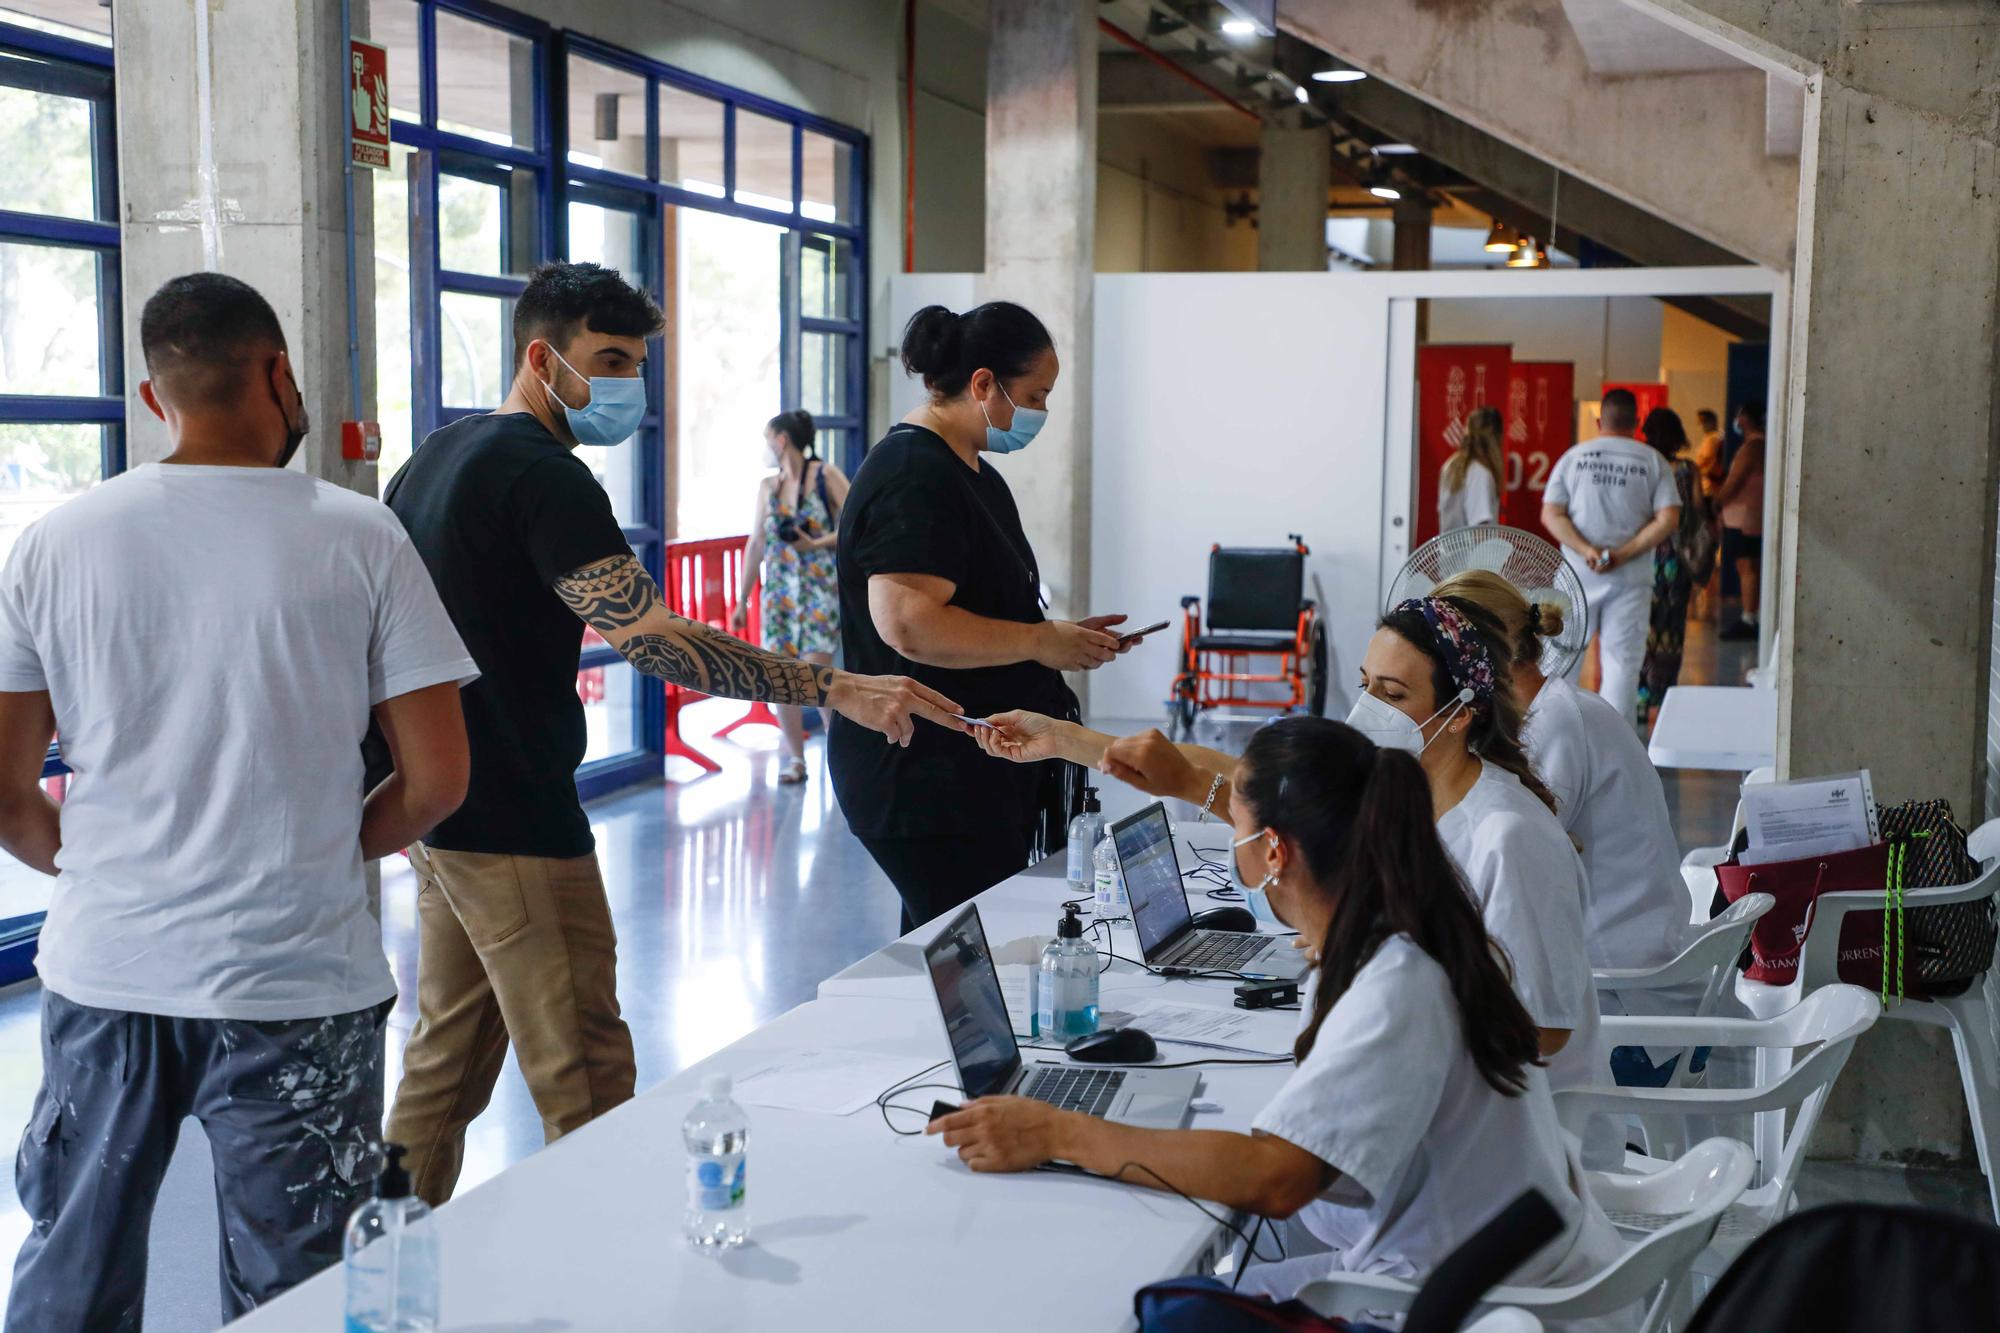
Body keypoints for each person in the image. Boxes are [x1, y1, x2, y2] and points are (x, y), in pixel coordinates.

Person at [371, 261, 961, 1205]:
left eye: (636, 364)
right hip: (518, 818)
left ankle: (380, 1259)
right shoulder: (542, 473)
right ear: (540, 357)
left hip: (442, 810)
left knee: (442, 1070)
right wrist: (832, 684)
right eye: (608, 360)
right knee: (590, 1084)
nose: (625, 386)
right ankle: (620, 1284)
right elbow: (655, 641)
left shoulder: (436, 456)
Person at [0, 273, 478, 1329]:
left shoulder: (53, 541)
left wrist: (92, 862)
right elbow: (439, 777)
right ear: (279, 372)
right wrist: (327, 840)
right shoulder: (361, 538)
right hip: (296, 976)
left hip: (108, 969)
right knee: (298, 1293)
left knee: (72, 1270)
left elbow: (5, 786)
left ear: (151, 394)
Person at [930, 718, 1627, 1318]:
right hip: (1482, 1267)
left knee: (1134, 1301)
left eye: (1234, 824)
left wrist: (1061, 1130)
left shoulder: (1396, 982)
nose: (1230, 842)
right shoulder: (1411, 927)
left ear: (1273, 852)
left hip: (1453, 1302)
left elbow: (1277, 1179)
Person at [971, 598, 1600, 1105]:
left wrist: (1377, 1021)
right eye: (1365, 686)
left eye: (1394, 694)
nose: (1368, 710)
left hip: (1489, 1122)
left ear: (1461, 714)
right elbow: (1251, 782)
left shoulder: (1508, 836)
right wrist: (1063, 739)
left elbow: (1543, 1030)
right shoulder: (1391, 793)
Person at [832, 302, 1130, 932]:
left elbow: (979, 606)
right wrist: (1037, 641)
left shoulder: (970, 473)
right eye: (1035, 395)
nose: (1041, 413)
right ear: (984, 384)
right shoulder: (914, 475)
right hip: (924, 777)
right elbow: (908, 624)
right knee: (964, 955)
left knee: (952, 951)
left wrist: (1057, 637)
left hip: (973, 771)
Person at [1432, 569, 1702, 1087]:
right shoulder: (1554, 712)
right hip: (1631, 979)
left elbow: (1501, 861)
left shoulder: (1552, 726)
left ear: (1476, 659)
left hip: (1626, 1008)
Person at [1541, 387, 1683, 728]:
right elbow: (1668, 519)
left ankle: (1554, 737)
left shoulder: (1574, 457)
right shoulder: (1652, 461)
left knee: (1562, 662)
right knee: (1622, 666)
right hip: (1630, 578)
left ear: (1598, 420)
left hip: (1576, 577)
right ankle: (1615, 748)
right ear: (1636, 422)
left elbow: (1551, 514)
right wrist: (1622, 554)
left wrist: (1586, 550)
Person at [730, 408, 847, 784]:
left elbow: (855, 525)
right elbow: (756, 543)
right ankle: (795, 759)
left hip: (819, 590)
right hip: (779, 596)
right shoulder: (769, 486)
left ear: (781, 440)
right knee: (782, 678)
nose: (767, 446)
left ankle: (842, 758)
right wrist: (742, 599)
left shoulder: (825, 476)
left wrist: (817, 543)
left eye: (768, 438)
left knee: (816, 679)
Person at [1636, 406, 1701, 721]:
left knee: (1642, 628)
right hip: (1676, 562)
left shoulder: (1644, 467)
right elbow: (1698, 515)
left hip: (1643, 556)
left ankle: (1639, 697)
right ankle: (1663, 702)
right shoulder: (1688, 470)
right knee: (1671, 631)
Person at [1714, 401, 1767, 642]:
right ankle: (1751, 615)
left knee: (1747, 568)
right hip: (1751, 517)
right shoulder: (1762, 446)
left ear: (1745, 418)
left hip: (1743, 518)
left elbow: (1734, 482)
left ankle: (1748, 617)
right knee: (1751, 567)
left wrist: (1715, 503)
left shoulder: (1752, 448)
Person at [1438, 404, 1503, 531]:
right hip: (1474, 550)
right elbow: (1480, 529)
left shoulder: (1451, 465)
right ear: (1496, 438)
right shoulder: (1480, 474)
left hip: (1449, 550)